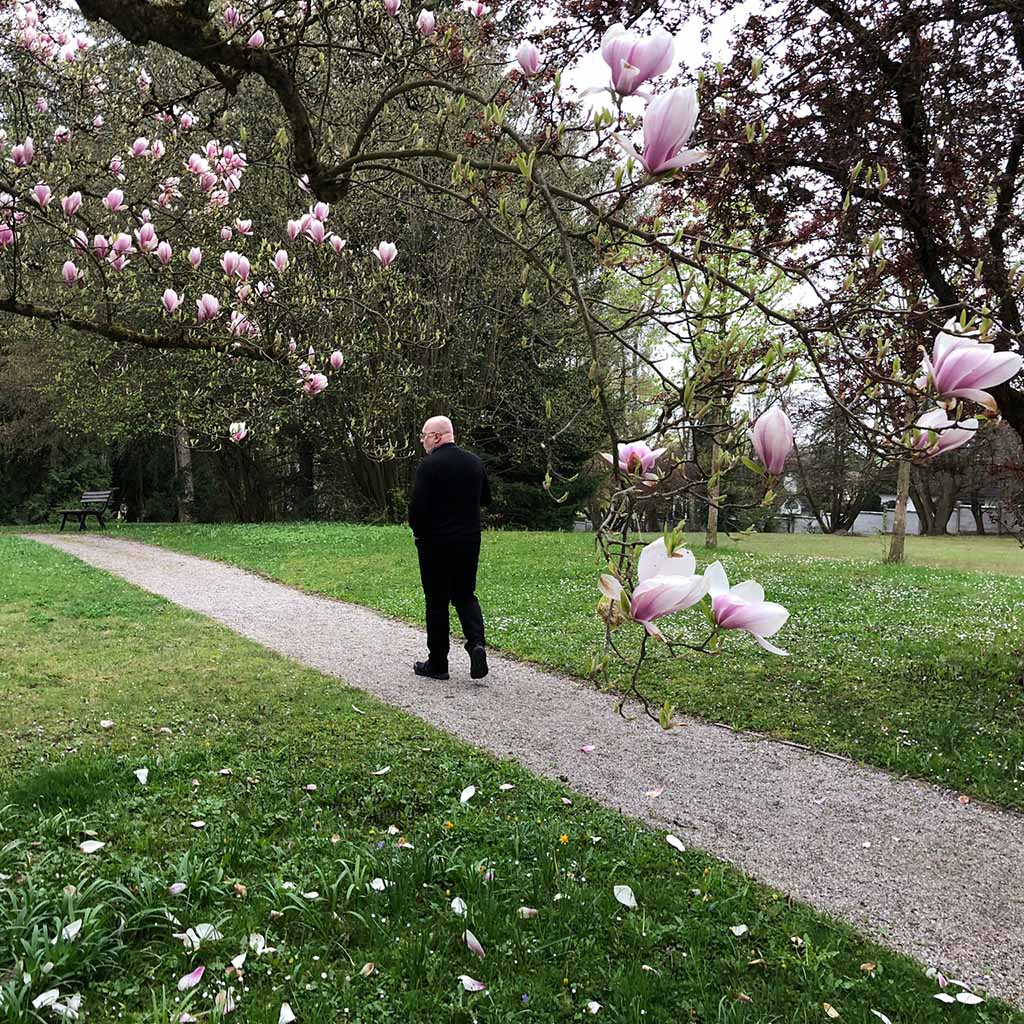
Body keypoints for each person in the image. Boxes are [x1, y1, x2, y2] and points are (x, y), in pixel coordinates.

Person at [409, 415, 491, 681]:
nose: (422, 441)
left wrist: (419, 534)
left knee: (436, 601)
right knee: (465, 595)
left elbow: (417, 509)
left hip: (435, 543)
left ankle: (438, 663)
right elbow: (485, 499)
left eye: (424, 436)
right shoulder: (474, 462)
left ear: (436, 436)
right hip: (468, 540)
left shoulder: (428, 467)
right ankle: (476, 643)